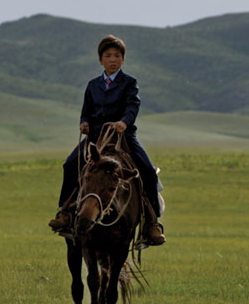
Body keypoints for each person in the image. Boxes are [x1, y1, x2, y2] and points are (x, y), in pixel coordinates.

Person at [49, 35, 166, 245]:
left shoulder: (130, 83)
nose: (113, 59)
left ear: (123, 59)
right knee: (69, 165)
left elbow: (133, 106)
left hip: (124, 136)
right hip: (96, 138)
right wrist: (84, 123)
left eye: (117, 56)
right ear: (100, 60)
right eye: (108, 55)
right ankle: (65, 214)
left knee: (147, 171)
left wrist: (124, 122)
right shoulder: (93, 85)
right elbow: (86, 111)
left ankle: (152, 223)